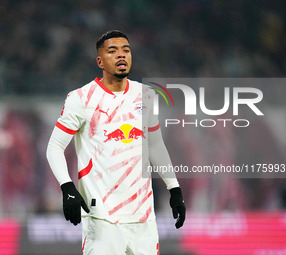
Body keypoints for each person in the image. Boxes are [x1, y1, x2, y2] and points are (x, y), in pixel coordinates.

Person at [46, 30, 185, 255]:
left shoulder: (147, 95)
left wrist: (174, 189)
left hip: (143, 219)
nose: (121, 55)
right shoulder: (81, 99)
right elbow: (54, 147)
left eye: (126, 50)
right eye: (113, 51)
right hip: (102, 219)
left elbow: (156, 145)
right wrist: (67, 187)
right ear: (100, 61)